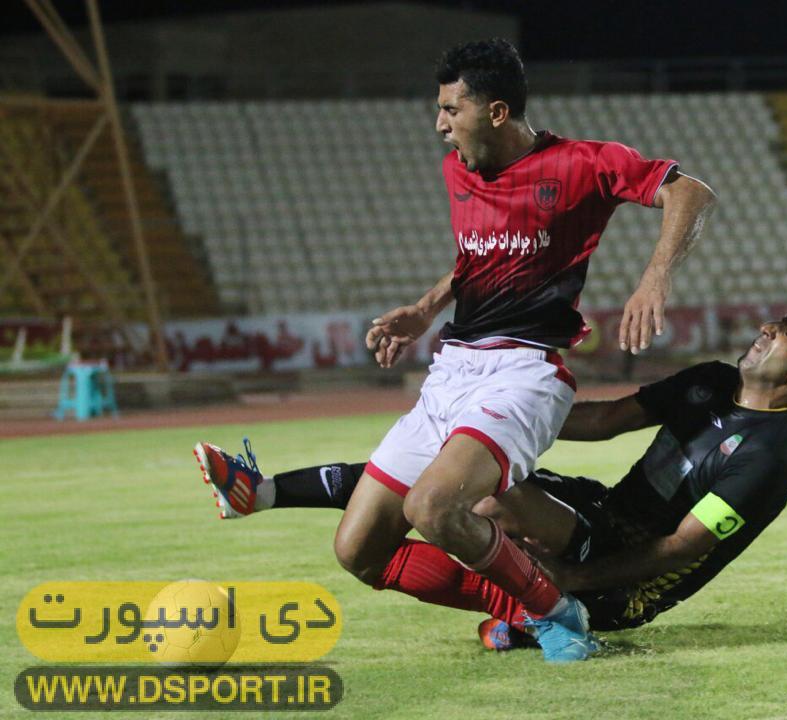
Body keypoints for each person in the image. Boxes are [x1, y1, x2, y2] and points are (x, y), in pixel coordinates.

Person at [195, 38, 717, 663]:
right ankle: (521, 601)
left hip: (524, 373)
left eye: (450, 110)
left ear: (496, 112)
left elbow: (691, 192)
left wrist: (654, 276)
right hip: (451, 371)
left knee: (435, 507)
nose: (440, 125)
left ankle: (560, 615)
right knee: (357, 551)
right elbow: (479, 257)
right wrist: (424, 309)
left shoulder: (582, 163)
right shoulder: (459, 171)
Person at [196, 298, 787, 652]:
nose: (769, 328)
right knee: (459, 467)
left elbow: (684, 546)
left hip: (628, 577)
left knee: (482, 496)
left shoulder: (771, 455)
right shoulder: (711, 381)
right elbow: (607, 420)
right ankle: (265, 492)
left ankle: (540, 608)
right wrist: (500, 417)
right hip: (600, 514)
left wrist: (574, 579)